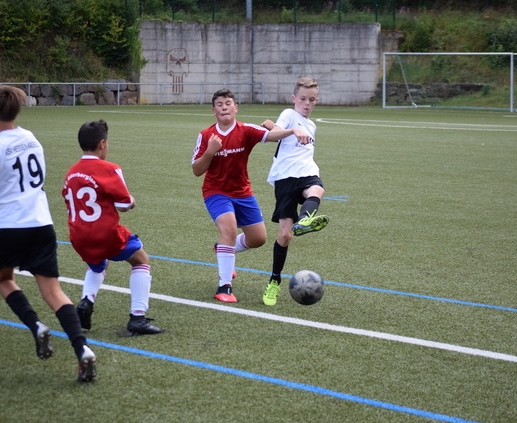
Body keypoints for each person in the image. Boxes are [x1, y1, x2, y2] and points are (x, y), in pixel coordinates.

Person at [0, 85, 96, 382]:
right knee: (54, 291)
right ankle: (82, 349)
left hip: (11, 227)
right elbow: (24, 183)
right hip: (41, 224)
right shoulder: (31, 139)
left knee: (4, 279)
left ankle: (36, 326)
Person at [191, 88, 312, 303]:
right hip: (216, 192)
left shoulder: (245, 130)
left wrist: (292, 130)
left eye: (228, 103)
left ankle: (223, 249)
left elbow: (271, 136)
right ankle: (224, 286)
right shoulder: (206, 135)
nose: (224, 107)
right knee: (228, 228)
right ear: (213, 110)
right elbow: (197, 170)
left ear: (236, 108)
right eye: (219, 104)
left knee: (258, 239)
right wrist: (210, 151)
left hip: (243, 193)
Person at [62, 120, 162, 335]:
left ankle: (86, 302)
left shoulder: (71, 172)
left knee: (97, 265)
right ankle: (138, 317)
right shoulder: (109, 168)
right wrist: (132, 200)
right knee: (141, 260)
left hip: (78, 235)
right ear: (102, 143)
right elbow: (125, 204)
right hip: (104, 233)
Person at [260, 77, 329, 306]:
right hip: (285, 178)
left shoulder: (312, 125)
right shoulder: (289, 113)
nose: (307, 104)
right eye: (303, 99)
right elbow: (273, 135)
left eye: (312, 100)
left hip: (307, 172)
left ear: (316, 100)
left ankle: (305, 220)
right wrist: (291, 130)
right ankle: (274, 281)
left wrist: (293, 130)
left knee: (317, 189)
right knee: (285, 236)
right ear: (294, 98)